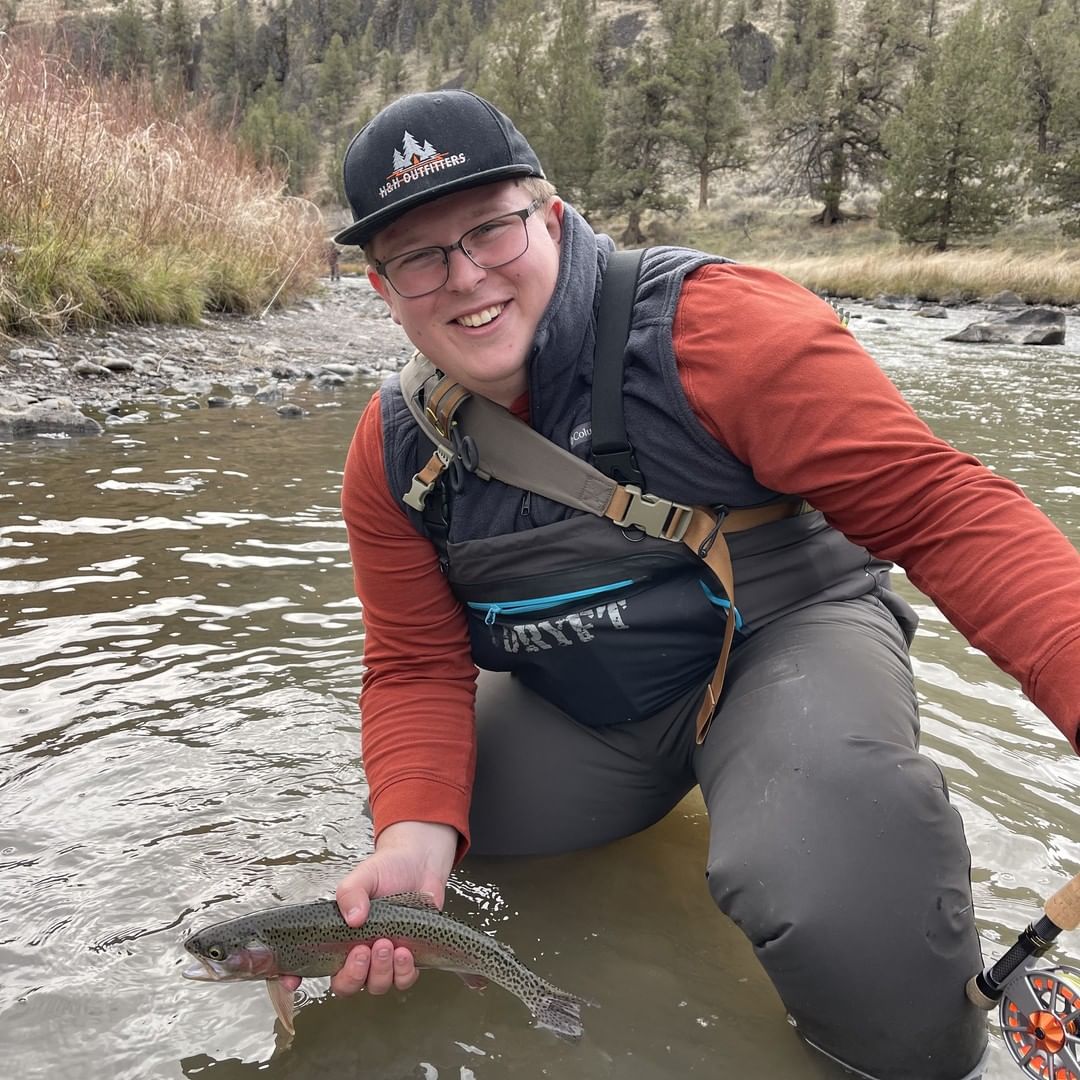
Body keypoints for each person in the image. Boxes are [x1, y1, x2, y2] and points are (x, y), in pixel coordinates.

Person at [283, 90, 1080, 1079]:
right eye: (419, 255)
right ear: (382, 288)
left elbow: (943, 508)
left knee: (844, 920)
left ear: (554, 220)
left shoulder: (720, 327)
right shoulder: (395, 453)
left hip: (787, 648)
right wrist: (411, 837)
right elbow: (412, 664)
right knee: (439, 860)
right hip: (594, 707)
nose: (466, 276)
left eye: (491, 229)